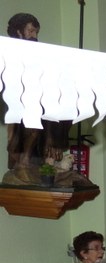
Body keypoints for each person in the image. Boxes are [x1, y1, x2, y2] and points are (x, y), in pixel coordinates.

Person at [4, 13, 72, 187]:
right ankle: (24, 161)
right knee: (35, 117)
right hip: (17, 100)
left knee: (63, 102)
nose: (34, 35)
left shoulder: (40, 53)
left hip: (38, 96)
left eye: (36, 32)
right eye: (31, 31)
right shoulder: (8, 51)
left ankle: (50, 157)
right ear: (19, 32)